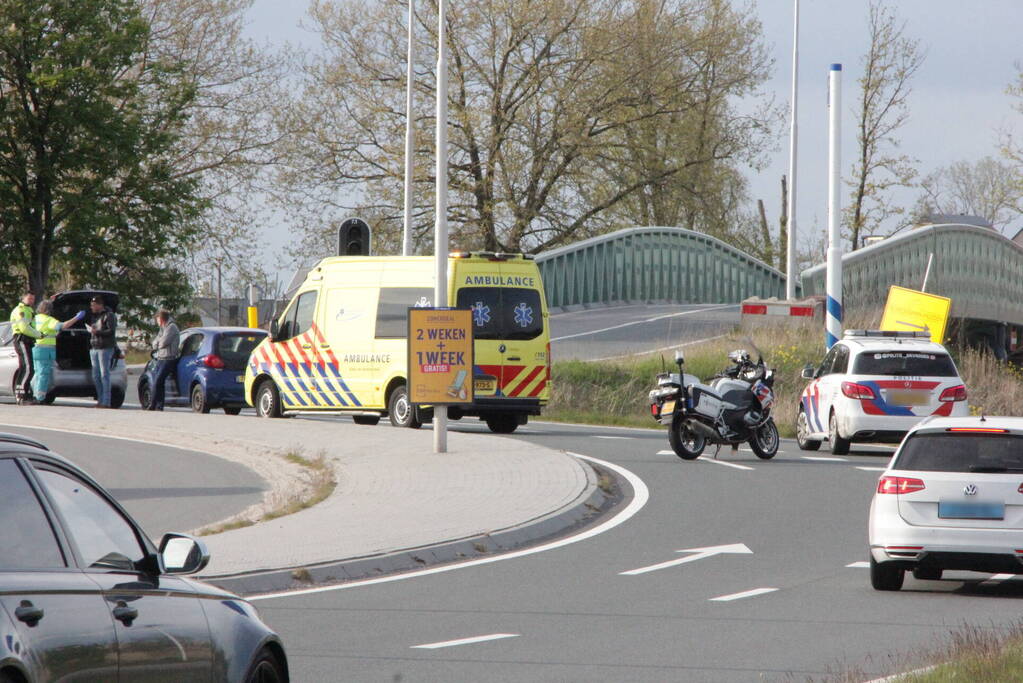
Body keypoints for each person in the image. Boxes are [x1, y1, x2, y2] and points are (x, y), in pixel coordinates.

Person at [32, 300, 85, 403]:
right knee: (44, 374)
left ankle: (34, 395)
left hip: (36, 348)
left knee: (37, 373)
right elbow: (63, 326)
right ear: (49, 310)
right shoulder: (48, 320)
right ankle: (39, 398)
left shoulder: (35, 318)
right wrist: (76, 318)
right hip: (46, 350)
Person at [83, 295, 117, 408]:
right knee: (96, 375)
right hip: (94, 347)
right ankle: (100, 399)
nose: (91, 307)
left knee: (104, 374)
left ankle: (106, 401)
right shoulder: (94, 316)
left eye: (93, 305)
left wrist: (97, 332)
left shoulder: (109, 315)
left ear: (99, 305)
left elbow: (111, 331)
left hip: (105, 348)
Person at [9, 291, 41, 404]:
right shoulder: (21, 310)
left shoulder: (29, 310)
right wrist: (39, 334)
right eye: (29, 299)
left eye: (33, 299)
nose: (31, 301)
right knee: (28, 368)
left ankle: (22, 394)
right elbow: (24, 328)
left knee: (24, 368)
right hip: (22, 339)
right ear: (23, 298)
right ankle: (22, 396)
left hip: (27, 340)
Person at [149, 309, 180, 411]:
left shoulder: (171, 327)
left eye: (157, 319)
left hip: (169, 358)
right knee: (156, 382)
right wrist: (157, 343)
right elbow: (155, 342)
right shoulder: (163, 328)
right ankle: (156, 405)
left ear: (161, 319)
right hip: (160, 357)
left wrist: (158, 343)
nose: (157, 321)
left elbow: (163, 343)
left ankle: (155, 405)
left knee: (158, 381)